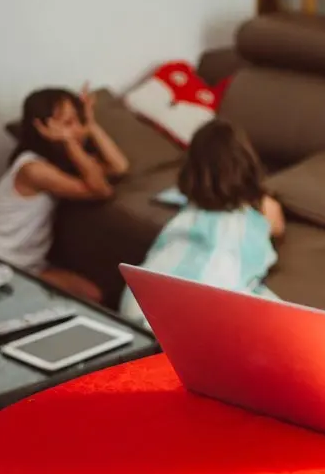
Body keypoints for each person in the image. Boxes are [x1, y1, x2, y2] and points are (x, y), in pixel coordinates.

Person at [119, 119, 285, 330]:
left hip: (140, 301)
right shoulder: (261, 206)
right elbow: (277, 227)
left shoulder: (191, 203)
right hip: (202, 305)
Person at [0, 83, 129, 303]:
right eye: (68, 123)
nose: (77, 129)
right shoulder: (32, 169)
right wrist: (69, 140)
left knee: (92, 295)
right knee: (89, 296)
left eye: (79, 120)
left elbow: (119, 167)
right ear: (42, 127)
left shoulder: (64, 160)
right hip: (1, 262)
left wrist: (92, 125)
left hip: (31, 264)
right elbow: (101, 190)